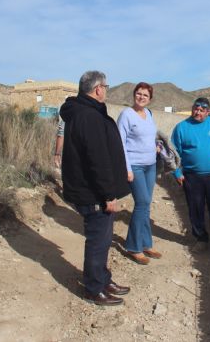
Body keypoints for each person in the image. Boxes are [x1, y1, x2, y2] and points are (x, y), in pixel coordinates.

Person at [59, 70, 131, 306]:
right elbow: (97, 160)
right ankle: (93, 288)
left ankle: (103, 279)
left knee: (104, 238)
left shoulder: (82, 112)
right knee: (98, 241)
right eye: (106, 87)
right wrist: (108, 195)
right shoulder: (88, 116)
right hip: (93, 193)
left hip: (89, 189)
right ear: (98, 89)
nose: (106, 91)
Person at [171, 97, 210, 254]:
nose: (197, 112)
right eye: (195, 109)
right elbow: (173, 153)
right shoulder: (181, 127)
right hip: (191, 177)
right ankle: (201, 239)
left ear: (207, 112)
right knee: (195, 209)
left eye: (201, 110)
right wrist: (177, 172)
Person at [117, 82, 161, 265]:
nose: (141, 97)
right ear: (134, 94)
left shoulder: (149, 114)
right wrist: (126, 169)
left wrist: (155, 147)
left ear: (150, 99)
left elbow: (149, 136)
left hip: (151, 165)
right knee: (141, 203)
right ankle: (134, 247)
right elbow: (120, 143)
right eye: (139, 93)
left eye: (145, 95)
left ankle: (146, 243)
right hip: (134, 166)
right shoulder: (126, 115)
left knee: (146, 204)